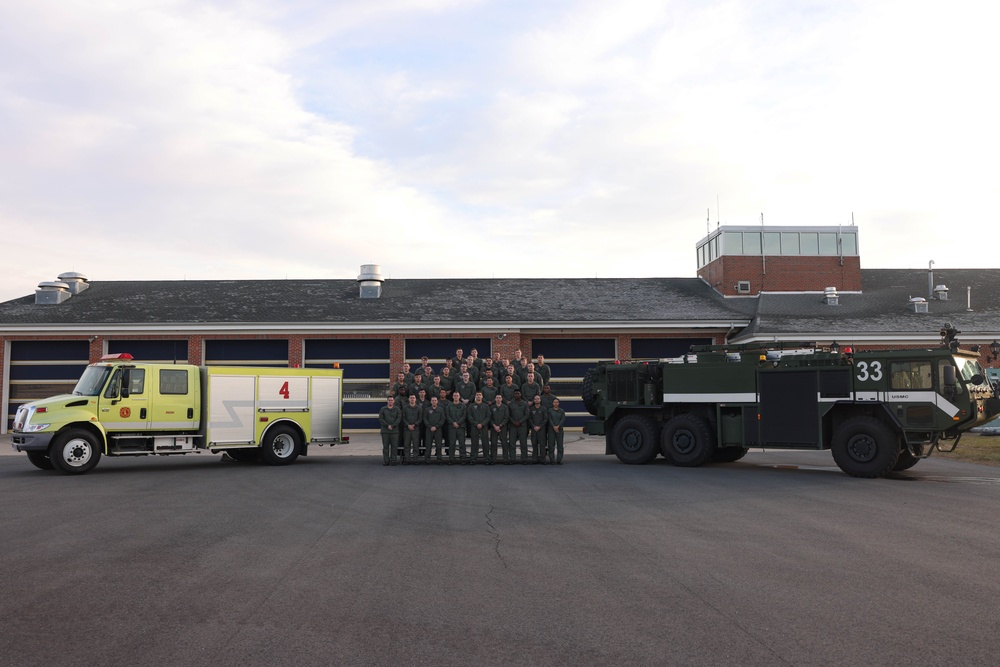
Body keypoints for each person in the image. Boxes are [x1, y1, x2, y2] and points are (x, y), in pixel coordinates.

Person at [467, 392, 491, 465]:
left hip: (484, 426)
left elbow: (488, 416)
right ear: (475, 396)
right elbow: (469, 416)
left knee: (485, 443)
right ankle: (473, 458)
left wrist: (482, 424)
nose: (478, 396)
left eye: (480, 395)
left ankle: (487, 458)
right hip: (474, 426)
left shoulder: (486, 406)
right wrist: (476, 423)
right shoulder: (471, 406)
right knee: (474, 443)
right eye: (477, 395)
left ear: (482, 396)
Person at [378, 396, 402, 465]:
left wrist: (393, 425)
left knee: (394, 447)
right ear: (387, 401)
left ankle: (393, 461)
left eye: (391, 400)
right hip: (385, 431)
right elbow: (381, 419)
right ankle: (386, 461)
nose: (390, 401)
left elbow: (399, 418)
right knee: (386, 447)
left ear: (394, 401)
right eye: (389, 400)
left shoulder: (397, 409)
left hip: (395, 431)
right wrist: (387, 425)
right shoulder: (383, 409)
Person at [508, 390, 530, 464]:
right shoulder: (511, 404)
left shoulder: (524, 404)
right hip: (513, 426)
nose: (517, 395)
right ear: (513, 395)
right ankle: (512, 459)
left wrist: (520, 422)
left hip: (522, 426)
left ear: (521, 394)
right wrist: (514, 422)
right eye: (515, 394)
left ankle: (524, 459)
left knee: (523, 443)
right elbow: (508, 415)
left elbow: (527, 414)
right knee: (512, 443)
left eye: (518, 393)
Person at [445, 391, 468, 465]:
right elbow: (447, 415)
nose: (455, 397)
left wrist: (458, 423)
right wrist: (453, 423)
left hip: (461, 427)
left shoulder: (463, 406)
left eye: (457, 395)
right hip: (452, 427)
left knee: (462, 443)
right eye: (454, 396)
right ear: (452, 397)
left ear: (459, 396)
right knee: (452, 443)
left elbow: (464, 415)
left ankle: (463, 458)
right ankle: (451, 459)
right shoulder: (449, 406)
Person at [424, 395, 446, 463]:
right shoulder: (427, 410)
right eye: (432, 400)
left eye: (435, 400)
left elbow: (442, 419)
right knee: (428, 445)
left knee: (438, 445)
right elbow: (425, 419)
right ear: (430, 402)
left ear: (437, 401)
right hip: (429, 429)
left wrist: (436, 426)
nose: (434, 402)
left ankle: (439, 459)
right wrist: (430, 427)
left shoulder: (441, 409)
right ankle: (427, 459)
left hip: (438, 429)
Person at [401, 394, 422, 464]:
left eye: (413, 398)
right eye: (411, 398)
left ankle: (415, 459)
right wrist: (408, 425)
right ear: (409, 399)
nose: (412, 399)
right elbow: (403, 418)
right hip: (407, 429)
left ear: (415, 399)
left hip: (415, 429)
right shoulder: (405, 408)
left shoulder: (419, 408)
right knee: (407, 445)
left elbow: (420, 418)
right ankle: (407, 459)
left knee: (416, 445)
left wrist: (414, 425)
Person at [490, 393, 510, 465]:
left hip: (503, 428)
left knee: (504, 443)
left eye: (499, 398)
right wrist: (494, 425)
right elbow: (490, 418)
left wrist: (500, 425)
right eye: (497, 398)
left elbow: (506, 417)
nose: (498, 399)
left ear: (501, 399)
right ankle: (493, 459)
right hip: (494, 428)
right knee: (493, 443)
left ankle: (505, 459)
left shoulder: (505, 407)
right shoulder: (492, 407)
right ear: (495, 399)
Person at [528, 394, 548, 463]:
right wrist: (534, 426)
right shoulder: (531, 409)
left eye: (538, 399)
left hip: (541, 429)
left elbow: (545, 418)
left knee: (542, 444)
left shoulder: (543, 409)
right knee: (534, 444)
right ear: (534, 400)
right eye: (535, 399)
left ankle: (543, 459)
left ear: (540, 400)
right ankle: (534, 459)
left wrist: (539, 426)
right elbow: (530, 419)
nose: (537, 400)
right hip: (534, 429)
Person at [547, 398, 566, 464]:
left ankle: (559, 459)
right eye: (554, 402)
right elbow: (549, 419)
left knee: (560, 445)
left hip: (559, 430)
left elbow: (562, 419)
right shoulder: (550, 410)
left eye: (557, 402)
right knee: (551, 445)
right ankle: (552, 459)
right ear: (552, 403)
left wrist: (558, 426)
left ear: (559, 403)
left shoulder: (562, 411)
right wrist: (554, 426)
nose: (556, 403)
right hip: (551, 430)